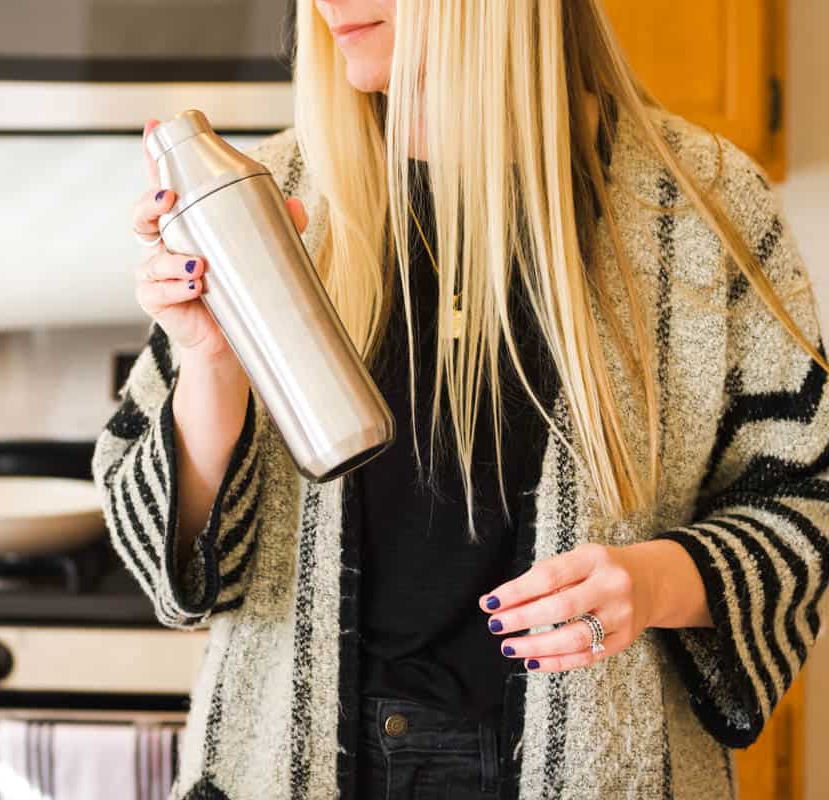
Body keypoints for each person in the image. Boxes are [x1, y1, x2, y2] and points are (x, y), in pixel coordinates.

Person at [95, 1, 828, 798]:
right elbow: (168, 562)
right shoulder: (265, 200)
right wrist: (210, 362)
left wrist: (652, 581)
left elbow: (805, 499)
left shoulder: (698, 201)